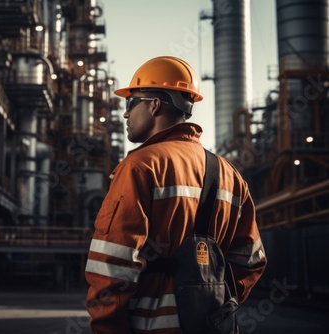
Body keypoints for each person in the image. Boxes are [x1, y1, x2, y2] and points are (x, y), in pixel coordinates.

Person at [84, 56, 267, 333]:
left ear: (154, 105)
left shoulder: (139, 167)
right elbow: (251, 261)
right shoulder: (230, 175)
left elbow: (112, 265)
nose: (125, 114)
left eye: (130, 103)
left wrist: (106, 328)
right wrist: (216, 299)